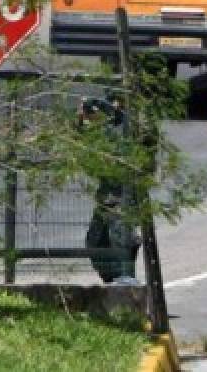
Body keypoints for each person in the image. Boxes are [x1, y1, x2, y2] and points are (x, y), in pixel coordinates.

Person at [79, 96, 141, 285]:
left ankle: (126, 281)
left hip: (125, 193)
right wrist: (83, 121)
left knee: (120, 240)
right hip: (106, 195)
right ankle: (112, 281)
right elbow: (86, 151)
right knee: (94, 242)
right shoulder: (107, 127)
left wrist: (105, 108)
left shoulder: (132, 124)